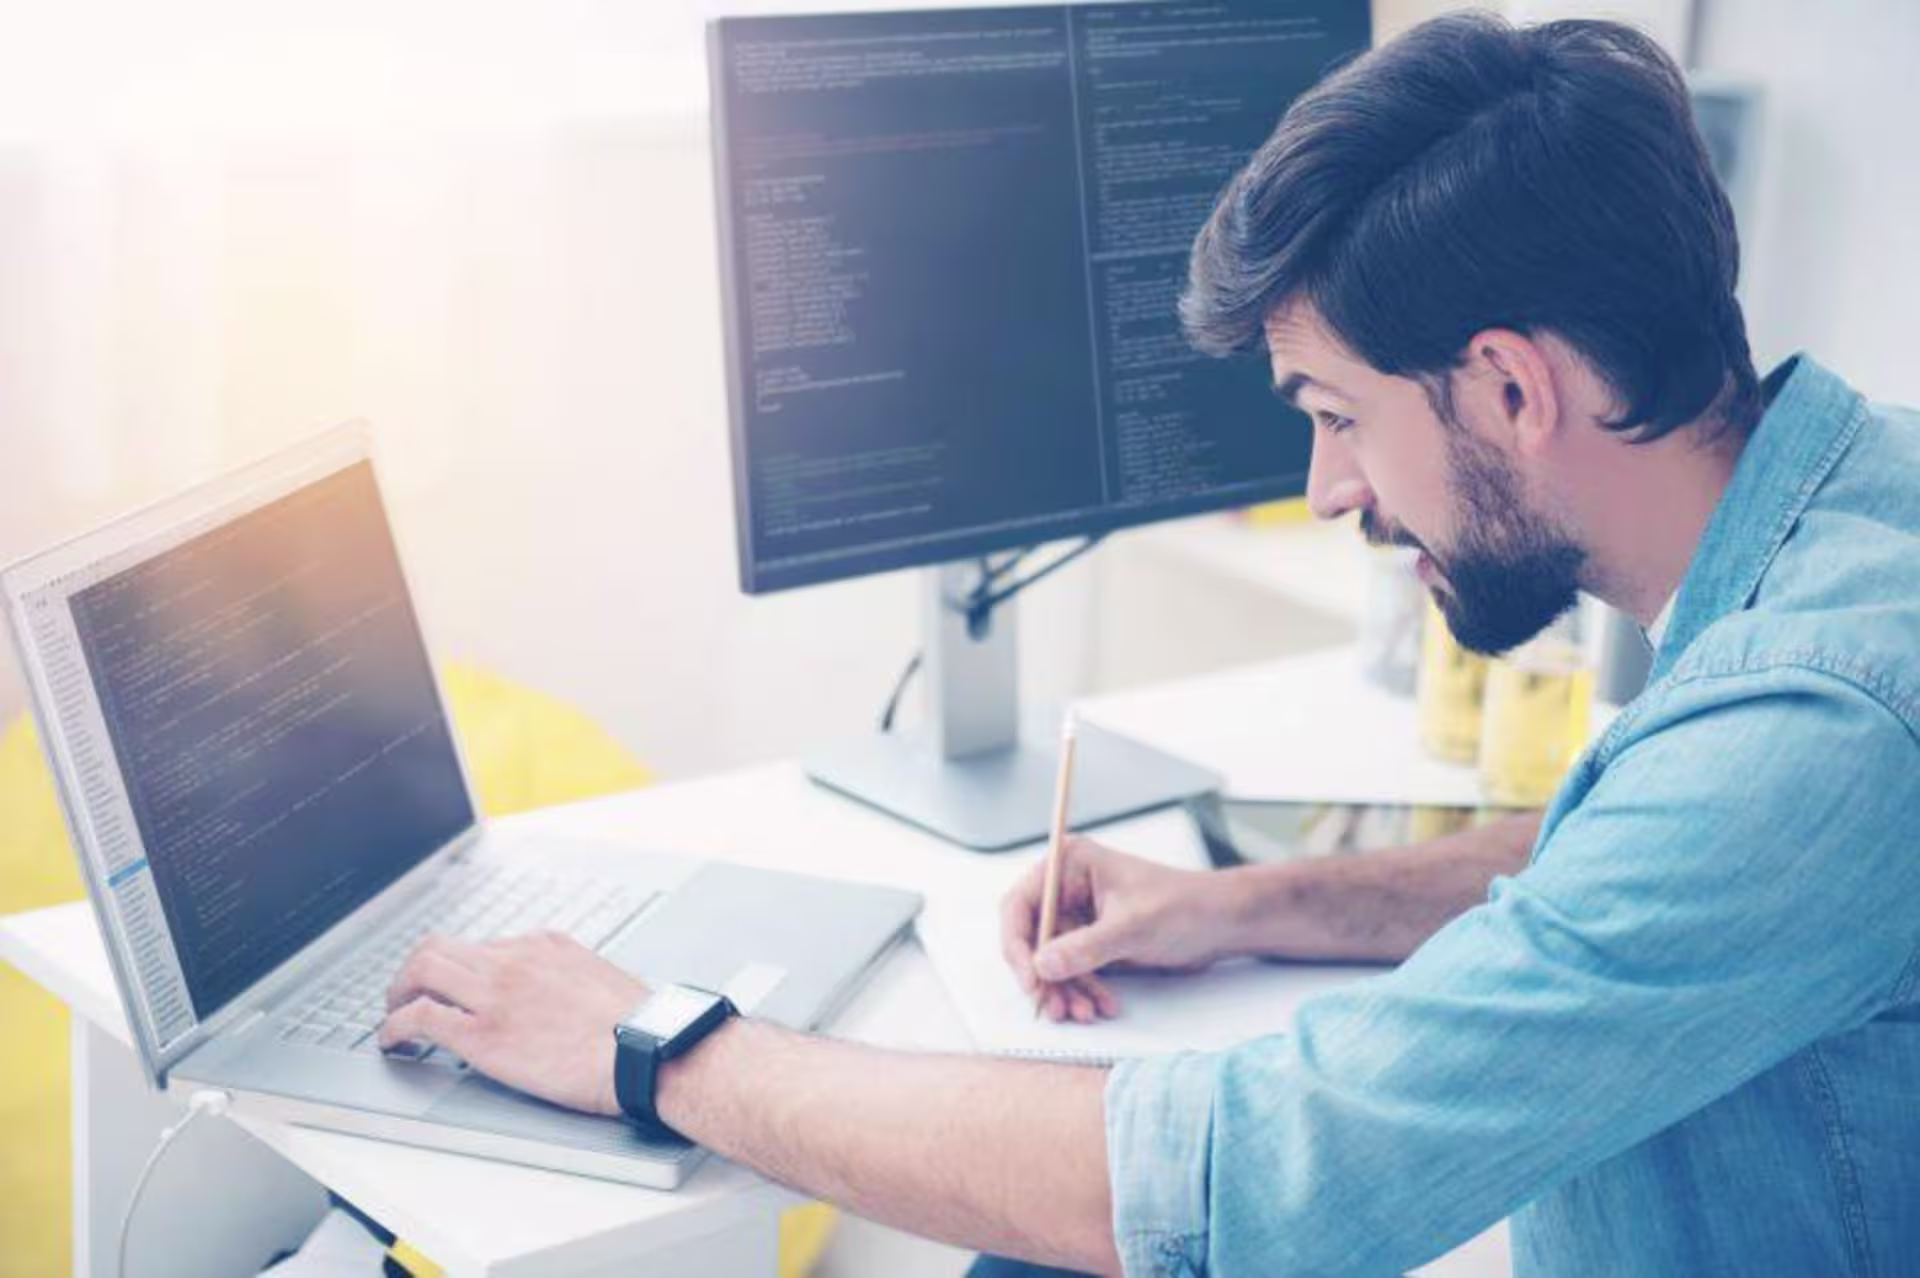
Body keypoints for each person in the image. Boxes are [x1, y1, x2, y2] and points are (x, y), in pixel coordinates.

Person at [377, 12, 1920, 1275]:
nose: (1327, 492)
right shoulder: (1855, 508)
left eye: (1336, 419)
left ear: (1513, 391)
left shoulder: (1821, 732)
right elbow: (1633, 863)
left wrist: (660, 1045)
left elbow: (1237, 1194)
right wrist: (1255, 905)